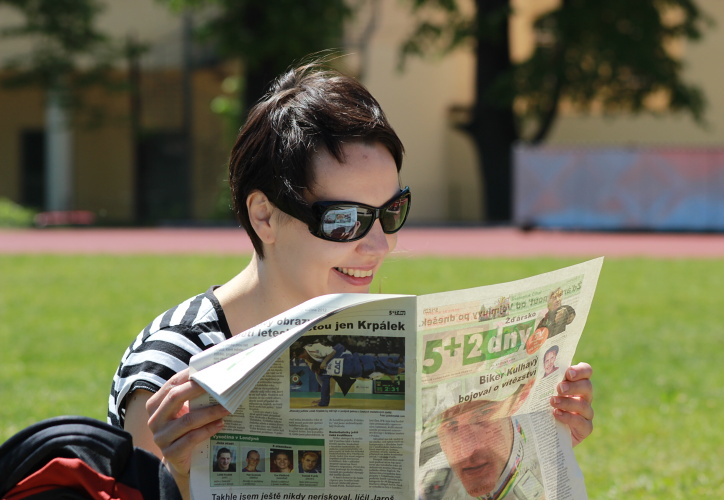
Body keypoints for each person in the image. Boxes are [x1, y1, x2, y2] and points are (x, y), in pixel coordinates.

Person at [107, 58, 595, 498]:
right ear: (264, 217)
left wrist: (542, 439)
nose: (379, 245)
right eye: (344, 220)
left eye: (391, 211)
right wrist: (179, 480)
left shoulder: (387, 337)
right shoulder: (174, 365)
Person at [296, 342, 405, 406]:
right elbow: (320, 376)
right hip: (336, 369)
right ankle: (390, 371)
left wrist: (324, 362)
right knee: (364, 371)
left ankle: (391, 371)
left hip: (340, 357)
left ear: (303, 352)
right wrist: (323, 401)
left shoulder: (314, 348)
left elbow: (333, 352)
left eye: (302, 356)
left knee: (366, 368)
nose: (303, 358)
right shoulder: (313, 365)